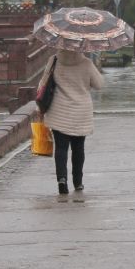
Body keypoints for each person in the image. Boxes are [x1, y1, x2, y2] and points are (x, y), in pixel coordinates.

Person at [38, 49, 104, 195]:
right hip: (81, 112)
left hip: (59, 111)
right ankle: (78, 182)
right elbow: (99, 84)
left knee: (61, 148)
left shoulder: (54, 60)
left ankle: (62, 180)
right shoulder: (86, 63)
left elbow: (42, 84)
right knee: (78, 149)